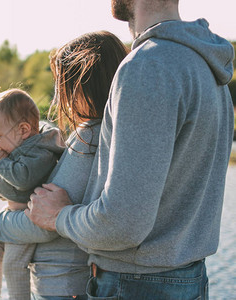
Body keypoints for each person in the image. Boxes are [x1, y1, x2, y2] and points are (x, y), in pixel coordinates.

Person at [26, 0, 235, 299]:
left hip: (137, 285)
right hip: (188, 281)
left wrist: (59, 216)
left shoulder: (148, 66)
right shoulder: (208, 67)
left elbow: (122, 225)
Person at [0, 31, 129, 299]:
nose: (60, 96)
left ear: (84, 85)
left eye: (64, 85)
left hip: (60, 285)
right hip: (71, 282)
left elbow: (42, 222)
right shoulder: (113, 133)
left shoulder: (89, 138)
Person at [0, 88, 65, 300]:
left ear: (24, 129)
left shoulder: (40, 153)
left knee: (13, 264)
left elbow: (23, 180)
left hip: (30, 221)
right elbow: (11, 189)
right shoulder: (20, 149)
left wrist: (2, 165)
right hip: (15, 216)